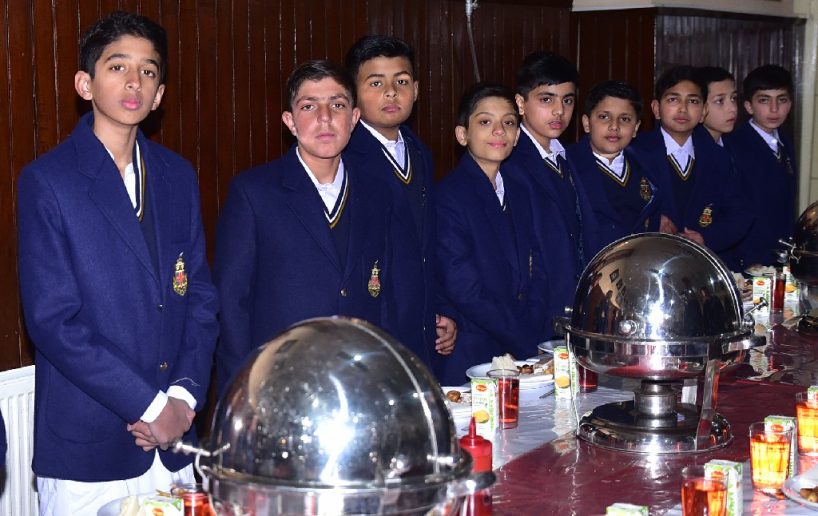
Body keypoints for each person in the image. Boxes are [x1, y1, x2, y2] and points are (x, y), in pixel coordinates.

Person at [16, 12, 219, 514]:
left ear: (160, 94)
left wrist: (183, 400)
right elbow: (53, 321)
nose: (134, 81)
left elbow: (199, 296)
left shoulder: (177, 175)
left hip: (173, 443)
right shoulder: (49, 180)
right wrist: (150, 406)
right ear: (85, 84)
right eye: (118, 66)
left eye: (148, 71)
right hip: (90, 444)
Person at [214, 60, 396, 397]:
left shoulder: (377, 192)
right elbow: (232, 301)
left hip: (359, 381)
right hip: (280, 382)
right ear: (290, 121)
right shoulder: (255, 193)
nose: (325, 118)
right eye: (309, 106)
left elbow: (383, 293)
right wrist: (242, 390)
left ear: (354, 118)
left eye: (337, 105)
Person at [343, 35, 456, 369]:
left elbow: (429, 244)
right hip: (374, 326)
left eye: (402, 81)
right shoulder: (345, 157)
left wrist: (441, 307)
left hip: (421, 321)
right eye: (376, 83)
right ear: (353, 93)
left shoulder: (420, 152)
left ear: (416, 90)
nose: (391, 92)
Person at [435, 83, 547, 384]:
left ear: (518, 135)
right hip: (474, 345)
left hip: (523, 338)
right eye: (485, 122)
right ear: (463, 135)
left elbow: (537, 264)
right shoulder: (449, 195)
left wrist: (535, 329)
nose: (499, 131)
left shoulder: (520, 190)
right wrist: (523, 338)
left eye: (508, 123)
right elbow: (464, 287)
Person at [506, 51, 599, 339]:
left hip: (573, 304)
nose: (559, 111)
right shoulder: (510, 159)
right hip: (536, 311)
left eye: (567, 100)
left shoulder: (567, 156)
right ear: (520, 103)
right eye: (547, 99)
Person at [629, 65, 749, 268]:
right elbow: (618, 206)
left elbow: (740, 213)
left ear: (703, 112)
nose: (683, 108)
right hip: (646, 263)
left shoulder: (718, 157)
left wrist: (705, 238)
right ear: (656, 109)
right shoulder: (635, 153)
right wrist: (652, 220)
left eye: (693, 101)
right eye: (673, 100)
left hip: (701, 267)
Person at [566, 80, 666, 249]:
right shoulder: (568, 165)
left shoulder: (648, 166)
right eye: (604, 117)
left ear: (636, 128)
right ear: (587, 123)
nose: (614, 126)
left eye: (625, 119)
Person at [723, 64, 797, 267]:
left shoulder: (785, 141)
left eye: (781, 100)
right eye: (764, 100)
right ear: (748, 106)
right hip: (748, 257)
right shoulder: (733, 145)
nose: (774, 109)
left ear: (790, 104)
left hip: (780, 254)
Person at [697, 66, 738, 145]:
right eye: (720, 101)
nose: (733, 108)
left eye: (733, 98)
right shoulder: (692, 148)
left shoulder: (735, 142)